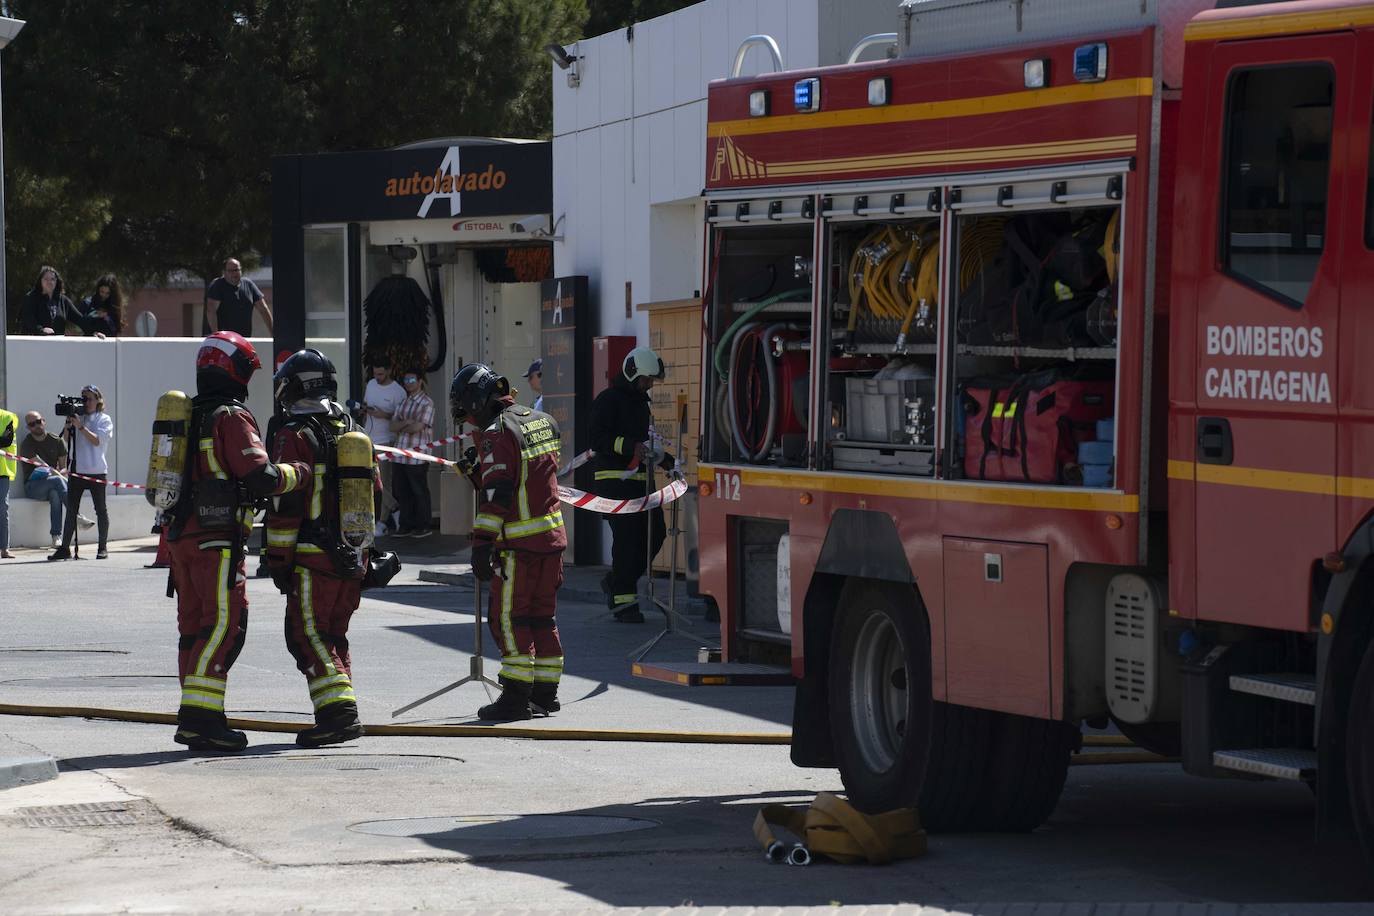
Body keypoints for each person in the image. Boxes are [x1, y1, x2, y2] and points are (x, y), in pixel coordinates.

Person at [163, 332, 311, 752]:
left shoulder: (187, 415)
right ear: (236, 371)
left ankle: (196, 713)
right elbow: (260, 476)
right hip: (217, 541)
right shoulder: (231, 416)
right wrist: (300, 471)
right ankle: (202, 719)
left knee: (193, 629)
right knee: (226, 625)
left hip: (181, 540)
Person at [265, 349, 375, 747]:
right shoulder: (352, 430)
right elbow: (374, 491)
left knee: (307, 634)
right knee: (334, 634)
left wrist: (277, 558)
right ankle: (340, 709)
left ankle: (338, 714)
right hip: (353, 555)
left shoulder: (293, 434)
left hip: (313, 558)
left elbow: (285, 504)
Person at [450, 363, 566, 721]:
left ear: (479, 401)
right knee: (542, 617)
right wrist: (479, 471)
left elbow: (499, 494)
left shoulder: (497, 433)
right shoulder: (543, 420)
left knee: (509, 620)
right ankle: (545, 694)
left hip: (517, 547)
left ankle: (515, 697)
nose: (470, 422)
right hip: (551, 541)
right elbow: (530, 478)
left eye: (469, 413)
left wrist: (482, 544)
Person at [588, 347, 673, 623]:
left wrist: (667, 461)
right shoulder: (608, 400)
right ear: (632, 373)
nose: (649, 385)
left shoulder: (640, 403)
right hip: (613, 483)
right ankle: (623, 602)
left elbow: (644, 444)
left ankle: (616, 580)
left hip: (640, 484)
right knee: (627, 542)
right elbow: (597, 438)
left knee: (656, 533)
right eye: (646, 379)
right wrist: (628, 446)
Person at [48, 386, 115, 561]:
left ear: (98, 400)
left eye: (89, 399)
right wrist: (70, 426)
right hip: (76, 471)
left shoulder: (104, 419)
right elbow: (65, 440)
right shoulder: (79, 417)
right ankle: (64, 548)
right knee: (71, 510)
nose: (85, 402)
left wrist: (81, 427)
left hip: (97, 471)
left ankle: (102, 548)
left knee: (101, 510)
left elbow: (97, 441)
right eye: (83, 398)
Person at [19, 411, 85, 549]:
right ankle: (75, 515)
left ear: (44, 421)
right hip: (33, 487)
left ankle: (56, 537)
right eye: (32, 424)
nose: (36, 426)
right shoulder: (27, 443)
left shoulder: (56, 440)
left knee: (55, 494)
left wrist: (61, 472)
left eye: (38, 421)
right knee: (56, 481)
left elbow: (63, 468)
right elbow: (42, 465)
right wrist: (57, 474)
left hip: (55, 482)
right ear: (28, 428)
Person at [388, 370, 434, 537]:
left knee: (419, 491)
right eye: (406, 379)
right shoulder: (403, 402)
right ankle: (406, 525)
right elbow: (392, 426)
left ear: (420, 381)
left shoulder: (426, 403)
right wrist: (407, 422)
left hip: (418, 456)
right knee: (402, 491)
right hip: (400, 453)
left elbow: (418, 428)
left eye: (412, 379)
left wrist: (403, 424)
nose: (408, 382)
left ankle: (423, 525)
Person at [362, 364, 406, 536]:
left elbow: (401, 417)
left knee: (383, 482)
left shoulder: (398, 391)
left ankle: (382, 522)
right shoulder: (371, 384)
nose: (378, 376)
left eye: (381, 373)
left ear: (389, 371)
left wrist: (385, 415)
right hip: (368, 438)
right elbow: (366, 405)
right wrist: (365, 410)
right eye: (375, 373)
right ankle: (393, 507)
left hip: (386, 441)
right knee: (372, 479)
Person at [206, 257, 273, 336]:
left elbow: (263, 309)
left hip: (245, 338)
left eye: (237, 270)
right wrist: (216, 335)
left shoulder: (248, 284)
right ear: (224, 272)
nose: (235, 273)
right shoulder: (218, 285)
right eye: (231, 271)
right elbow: (211, 310)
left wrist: (273, 333)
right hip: (225, 339)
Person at [20, 266, 83, 336]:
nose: (49, 282)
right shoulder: (30, 298)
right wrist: (41, 330)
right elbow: (28, 320)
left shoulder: (63, 301)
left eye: (52, 279)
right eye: (46, 279)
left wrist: (94, 330)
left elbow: (81, 320)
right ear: (40, 281)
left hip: (57, 344)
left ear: (56, 281)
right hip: (34, 343)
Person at [80, 273, 126, 338]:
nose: (104, 295)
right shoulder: (88, 303)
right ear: (98, 289)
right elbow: (80, 324)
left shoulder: (114, 306)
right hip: (91, 340)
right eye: (102, 292)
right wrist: (95, 315)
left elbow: (116, 328)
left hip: (109, 342)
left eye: (107, 293)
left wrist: (107, 317)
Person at [0, 407, 16, 559]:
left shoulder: (6, 417)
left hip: (2, 472)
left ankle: (4, 548)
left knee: (2, 508)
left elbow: (6, 440)